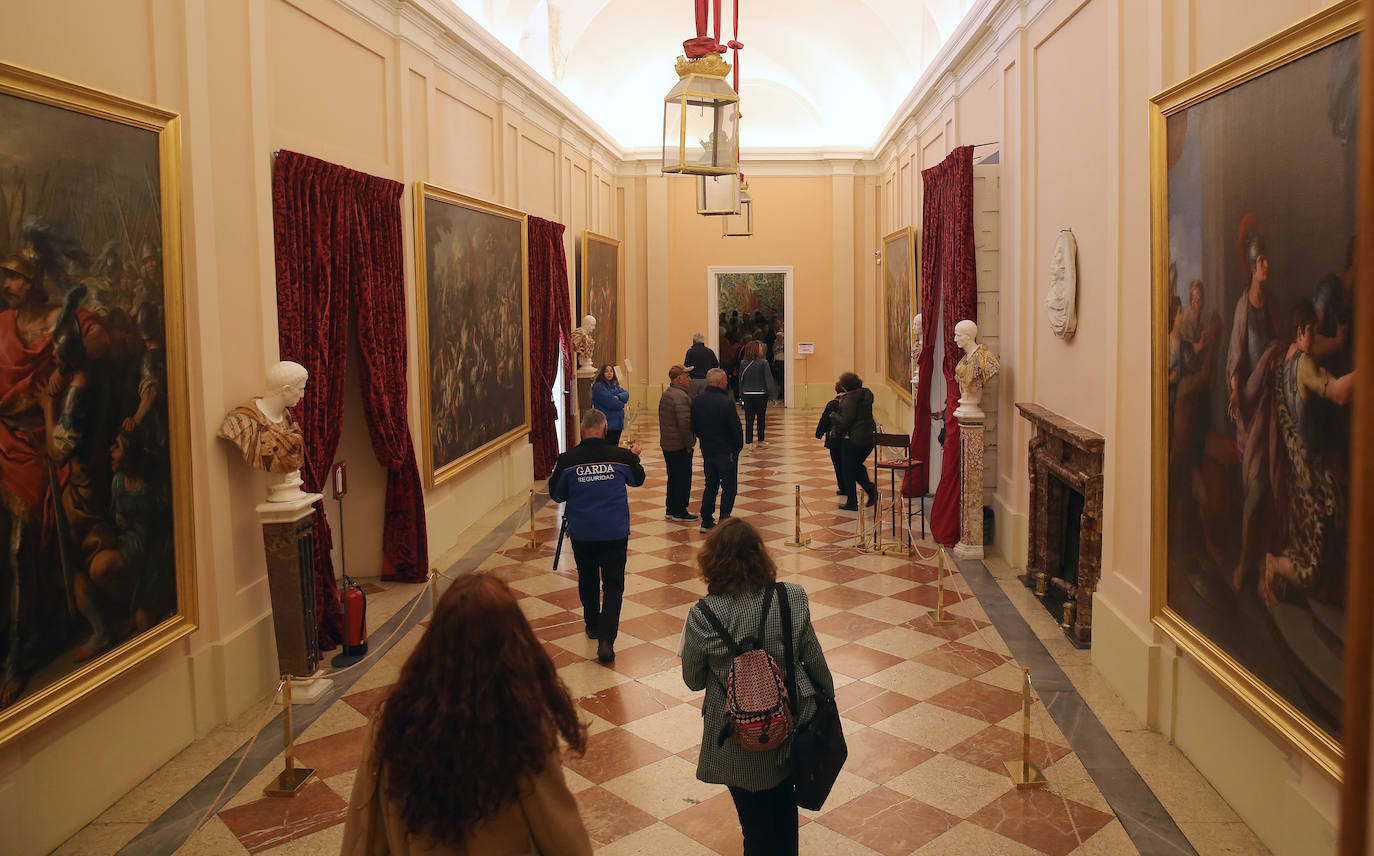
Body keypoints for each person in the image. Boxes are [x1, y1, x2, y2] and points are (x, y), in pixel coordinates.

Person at [342, 573, 593, 856]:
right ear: (513, 643)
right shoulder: (519, 722)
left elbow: (367, 829)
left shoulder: (393, 718)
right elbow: (560, 833)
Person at [681, 518, 835, 856]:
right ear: (760, 555)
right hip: (790, 724)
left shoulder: (703, 615)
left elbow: (693, 681)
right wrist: (827, 702)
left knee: (755, 827)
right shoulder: (792, 597)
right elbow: (814, 660)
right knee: (784, 820)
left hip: (736, 736)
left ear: (711, 561)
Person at [1260, 300, 1355, 609]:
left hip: (1299, 475)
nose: (1315, 338)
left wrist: (1339, 340)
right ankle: (1275, 564)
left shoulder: (1289, 356)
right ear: (1301, 331)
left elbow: (1318, 348)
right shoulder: (1303, 364)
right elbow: (1339, 393)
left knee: (1322, 547)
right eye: (1312, 331)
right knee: (1313, 565)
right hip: (1310, 478)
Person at [548, 409, 645, 662]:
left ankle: (592, 625)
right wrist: (635, 457)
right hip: (614, 531)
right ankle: (606, 641)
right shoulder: (621, 457)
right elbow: (637, 480)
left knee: (588, 578)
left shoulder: (567, 460)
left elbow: (557, 495)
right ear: (605, 429)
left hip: (583, 532)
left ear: (582, 430)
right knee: (613, 585)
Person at [1225, 224, 1283, 593]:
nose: (1266, 265)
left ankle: (1262, 562)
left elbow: (1280, 344)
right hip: (1251, 412)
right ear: (1251, 266)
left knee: (1271, 487)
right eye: (1261, 261)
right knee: (1256, 489)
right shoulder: (1243, 307)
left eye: (1267, 260)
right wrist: (1235, 392)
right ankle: (1246, 562)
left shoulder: (1272, 303)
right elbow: (1235, 357)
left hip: (1274, 408)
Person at [691, 368, 742, 533]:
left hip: (707, 450)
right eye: (725, 380)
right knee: (729, 487)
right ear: (720, 383)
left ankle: (706, 521)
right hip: (726, 451)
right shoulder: (726, 403)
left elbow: (694, 426)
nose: (727, 382)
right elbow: (735, 429)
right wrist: (737, 448)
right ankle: (724, 520)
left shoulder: (697, 401)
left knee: (710, 485)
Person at [830, 372, 878, 511]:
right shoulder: (866, 395)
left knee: (848, 470)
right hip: (868, 438)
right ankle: (870, 490)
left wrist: (833, 415)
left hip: (853, 439)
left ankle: (853, 501)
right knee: (856, 466)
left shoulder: (850, 399)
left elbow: (845, 422)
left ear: (845, 386)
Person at [658, 364, 697, 522]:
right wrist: (689, 444)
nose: (690, 379)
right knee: (682, 478)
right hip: (679, 445)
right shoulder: (680, 397)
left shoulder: (668, 393)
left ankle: (671, 508)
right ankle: (680, 510)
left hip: (668, 444)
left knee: (673, 477)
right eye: (687, 376)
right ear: (679, 379)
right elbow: (685, 425)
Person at [738, 341, 771, 453]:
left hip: (747, 393)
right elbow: (768, 379)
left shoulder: (743, 363)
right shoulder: (764, 363)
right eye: (760, 348)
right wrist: (773, 396)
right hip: (761, 394)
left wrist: (740, 394)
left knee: (749, 419)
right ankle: (761, 440)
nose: (762, 349)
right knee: (761, 419)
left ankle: (749, 443)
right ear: (756, 350)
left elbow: (740, 380)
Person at [816, 381, 845, 495]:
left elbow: (824, 420)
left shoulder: (832, 404)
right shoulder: (854, 403)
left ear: (836, 390)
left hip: (834, 439)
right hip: (850, 439)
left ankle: (843, 487)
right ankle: (849, 486)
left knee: (837, 464)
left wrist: (819, 433)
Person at [590, 363, 629, 446]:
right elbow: (613, 403)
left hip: (617, 423)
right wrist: (622, 403)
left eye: (611, 371)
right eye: (606, 371)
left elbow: (626, 394)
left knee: (615, 446)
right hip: (607, 424)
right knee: (608, 447)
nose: (609, 373)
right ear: (602, 373)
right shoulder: (599, 387)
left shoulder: (614, 384)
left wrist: (618, 396)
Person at [684, 332, 719, 399]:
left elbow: (686, 366)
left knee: (692, 400)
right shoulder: (710, 352)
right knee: (705, 399)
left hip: (693, 380)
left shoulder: (690, 352)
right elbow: (716, 365)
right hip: (706, 380)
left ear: (693, 341)